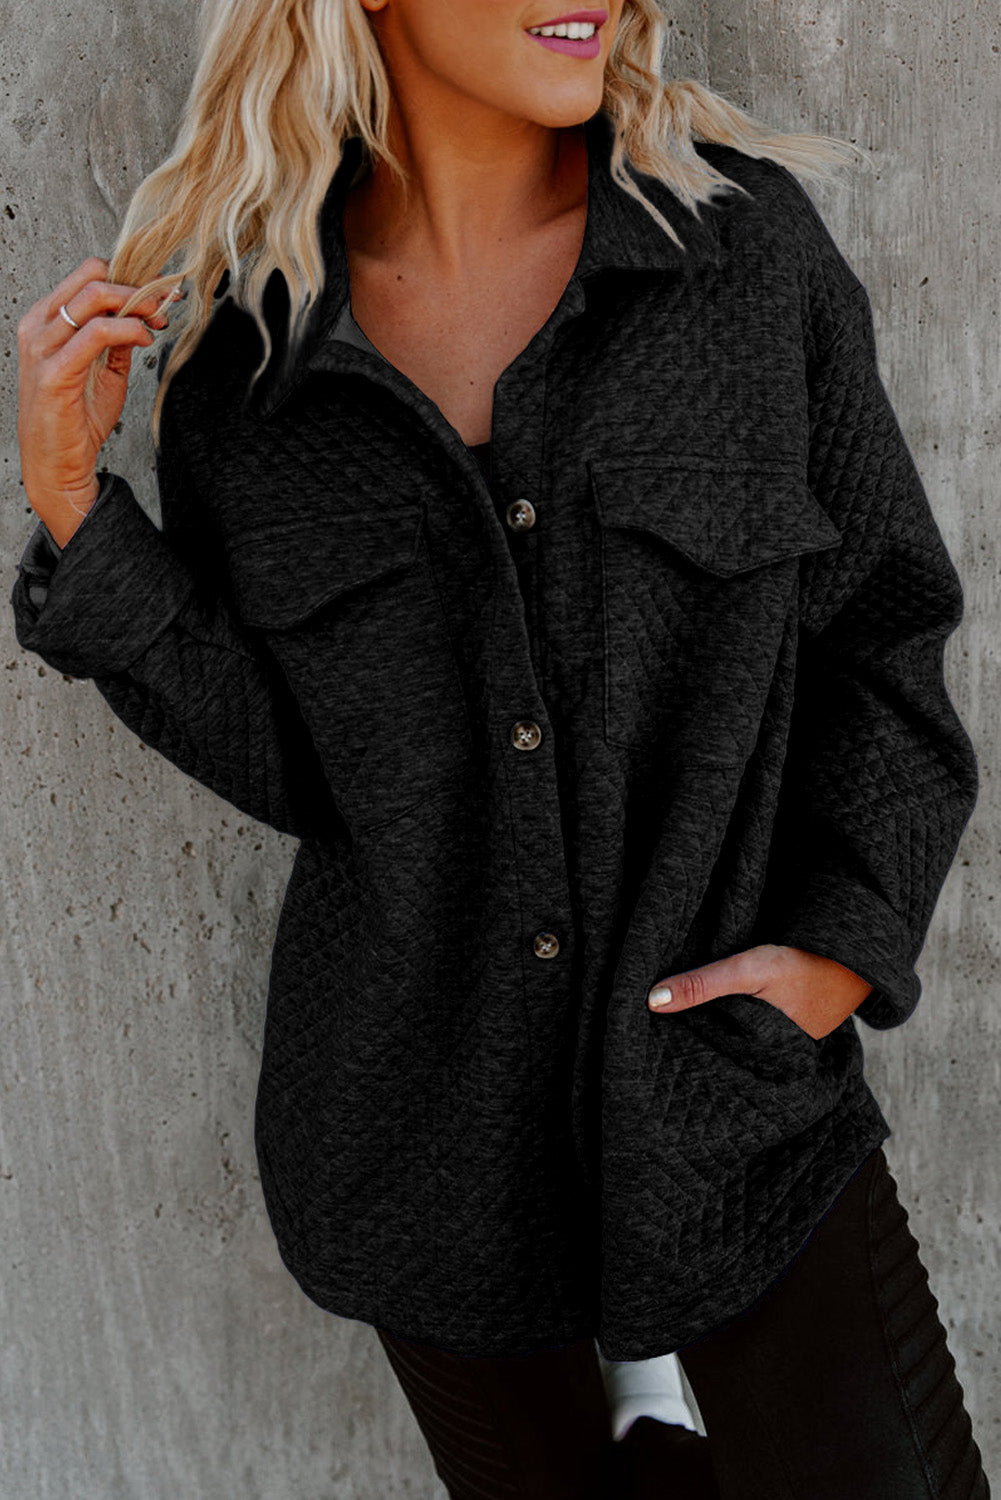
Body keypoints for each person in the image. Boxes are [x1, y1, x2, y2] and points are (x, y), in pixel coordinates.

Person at [12, 0, 990, 1496]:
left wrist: (838, 953)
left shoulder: (736, 254)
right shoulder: (247, 359)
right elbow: (301, 770)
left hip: (737, 1135)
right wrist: (82, 512)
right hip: (421, 1166)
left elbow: (882, 629)